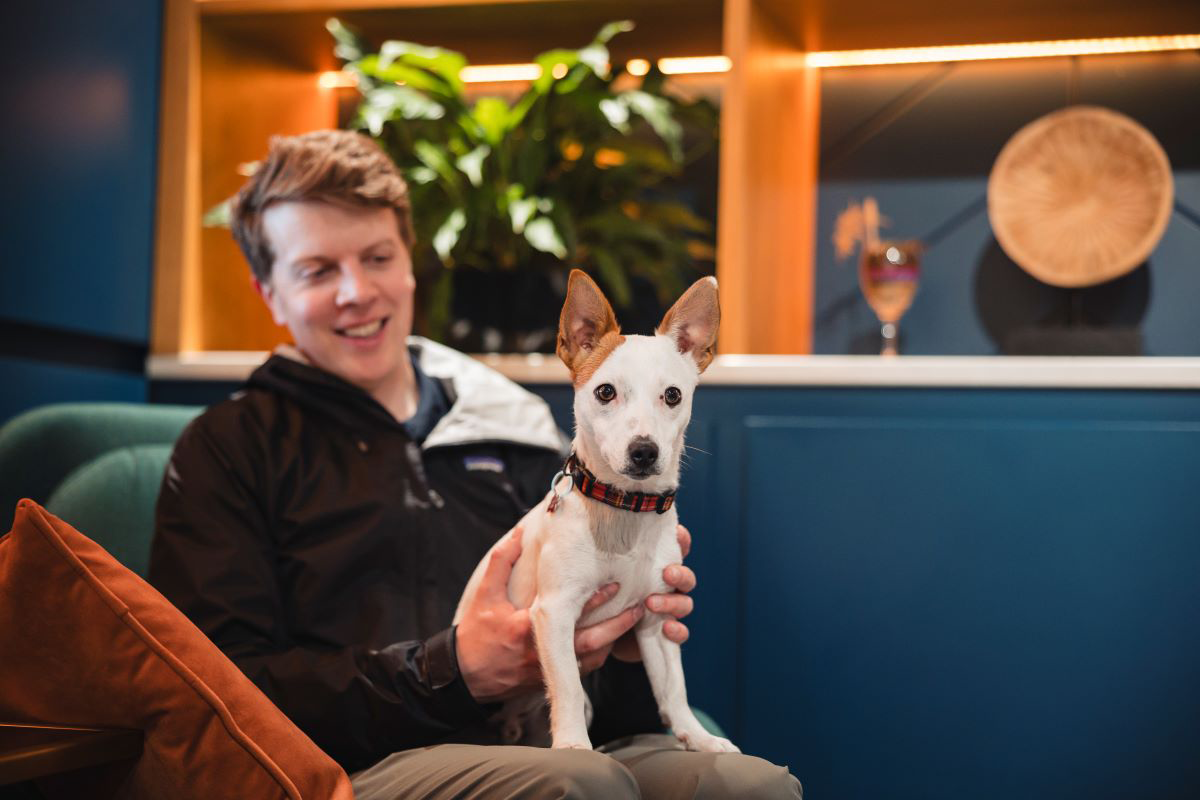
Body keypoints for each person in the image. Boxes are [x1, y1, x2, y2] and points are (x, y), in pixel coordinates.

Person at [150, 129, 801, 799]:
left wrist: (627, 640)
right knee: (580, 785)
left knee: (749, 788)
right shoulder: (228, 449)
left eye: (377, 257)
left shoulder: (515, 423)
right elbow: (215, 686)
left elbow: (593, 686)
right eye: (318, 270)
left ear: (409, 264)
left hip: (561, 743)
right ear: (268, 292)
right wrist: (449, 669)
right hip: (355, 764)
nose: (357, 291)